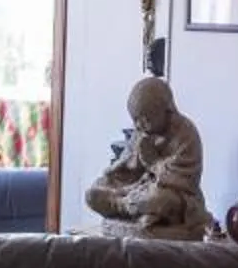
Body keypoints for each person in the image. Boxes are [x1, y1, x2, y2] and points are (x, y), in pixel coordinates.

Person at [84, 76, 212, 240]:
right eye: (135, 120)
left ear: (167, 111)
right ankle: (129, 207)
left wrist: (154, 162)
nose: (138, 125)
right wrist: (116, 170)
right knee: (96, 189)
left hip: (175, 196)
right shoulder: (141, 134)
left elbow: (186, 180)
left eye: (145, 119)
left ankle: (126, 206)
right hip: (137, 188)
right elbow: (128, 169)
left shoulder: (186, 133)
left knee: (159, 200)